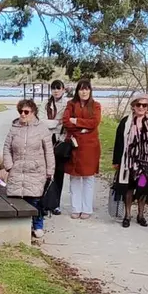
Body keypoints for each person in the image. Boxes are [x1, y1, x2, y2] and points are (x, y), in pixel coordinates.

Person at [1, 99, 55, 240]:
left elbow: (49, 151)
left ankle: (38, 225)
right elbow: (6, 147)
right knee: (17, 199)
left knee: (35, 200)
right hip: (17, 169)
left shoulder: (42, 129)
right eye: (20, 112)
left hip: (36, 170)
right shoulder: (14, 128)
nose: (23, 114)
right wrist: (9, 165)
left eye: (26, 112)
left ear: (33, 112)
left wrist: (50, 170)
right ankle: (18, 227)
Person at [112, 93, 148, 228]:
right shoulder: (125, 122)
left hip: (146, 163)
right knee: (128, 189)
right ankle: (127, 215)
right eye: (138, 105)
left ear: (147, 108)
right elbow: (118, 142)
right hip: (128, 163)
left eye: (144, 105)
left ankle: (141, 215)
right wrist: (116, 161)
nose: (141, 107)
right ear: (133, 106)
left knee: (143, 189)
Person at [62, 78, 102, 219]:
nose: (84, 92)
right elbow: (66, 121)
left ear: (90, 91)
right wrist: (82, 128)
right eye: (81, 89)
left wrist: (77, 121)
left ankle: (87, 208)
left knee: (88, 178)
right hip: (74, 145)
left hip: (90, 146)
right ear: (77, 91)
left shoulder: (96, 106)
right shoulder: (71, 104)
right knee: (74, 177)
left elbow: (94, 123)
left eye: (86, 89)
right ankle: (76, 207)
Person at [44, 80, 68, 215]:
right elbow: (42, 122)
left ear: (63, 90)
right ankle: (46, 201)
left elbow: (66, 122)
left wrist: (56, 123)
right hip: (47, 140)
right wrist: (56, 122)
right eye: (53, 88)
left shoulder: (67, 104)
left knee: (59, 173)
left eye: (58, 88)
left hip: (60, 142)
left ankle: (56, 203)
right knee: (47, 172)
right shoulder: (46, 104)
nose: (56, 91)